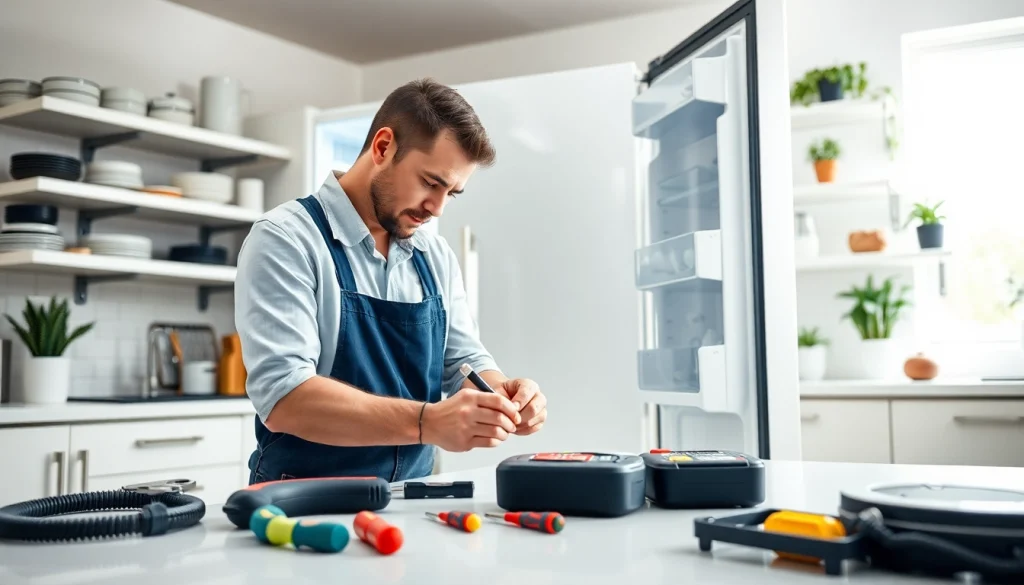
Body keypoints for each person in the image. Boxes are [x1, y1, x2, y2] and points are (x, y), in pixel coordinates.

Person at [234, 78, 547, 484]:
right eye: (431, 183)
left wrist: (505, 393)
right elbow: (285, 397)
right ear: (383, 147)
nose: (436, 209)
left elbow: (462, 361)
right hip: (301, 503)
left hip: (408, 500)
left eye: (451, 193)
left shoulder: (434, 257)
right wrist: (427, 422)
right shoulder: (286, 238)